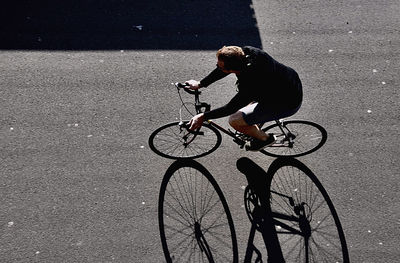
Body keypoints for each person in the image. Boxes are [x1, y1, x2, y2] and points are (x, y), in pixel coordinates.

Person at [185, 46, 303, 151]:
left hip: (286, 102)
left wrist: (203, 116)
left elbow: (230, 108)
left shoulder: (251, 81)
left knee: (234, 120)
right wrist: (200, 83)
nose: (218, 68)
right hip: (288, 83)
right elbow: (223, 70)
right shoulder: (247, 52)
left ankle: (265, 139)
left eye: (220, 67)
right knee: (245, 109)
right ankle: (254, 126)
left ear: (233, 69)